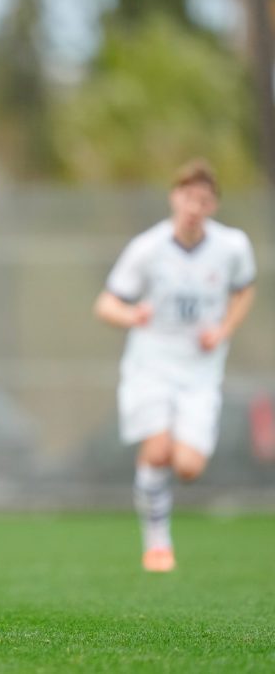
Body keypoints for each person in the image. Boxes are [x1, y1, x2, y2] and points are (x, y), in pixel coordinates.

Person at [94, 160, 256, 573]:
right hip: (150, 364)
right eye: (188, 197)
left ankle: (161, 526)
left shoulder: (232, 246)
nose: (194, 207)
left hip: (200, 371)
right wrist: (133, 315)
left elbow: (245, 290)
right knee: (157, 449)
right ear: (174, 198)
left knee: (187, 465)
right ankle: (157, 543)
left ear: (213, 205)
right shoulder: (147, 248)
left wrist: (223, 330)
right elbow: (106, 304)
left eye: (203, 200)